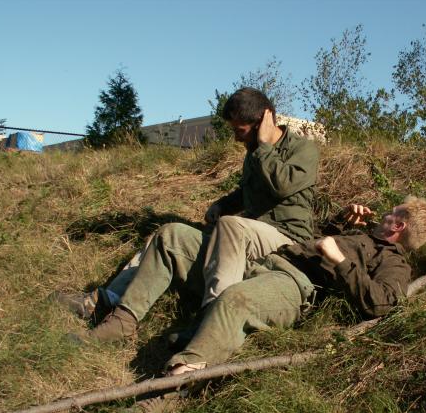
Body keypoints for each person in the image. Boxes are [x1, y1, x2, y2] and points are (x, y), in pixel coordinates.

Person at [108, 195, 426, 413]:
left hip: (295, 285)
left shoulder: (394, 263)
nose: (385, 212)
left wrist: (338, 260)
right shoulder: (359, 233)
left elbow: (380, 302)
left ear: (400, 225)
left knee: (235, 299)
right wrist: (340, 221)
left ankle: (170, 391)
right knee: (174, 236)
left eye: (393, 211)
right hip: (263, 259)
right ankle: (122, 319)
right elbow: (313, 238)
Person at [56, 87, 319, 322]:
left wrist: (263, 146)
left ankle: (210, 318)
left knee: (233, 226)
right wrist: (222, 205)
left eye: (240, 131)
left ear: (265, 119)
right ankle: (106, 300)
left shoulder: (303, 150)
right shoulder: (254, 154)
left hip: (286, 239)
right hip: (240, 236)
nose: (236, 139)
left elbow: (282, 184)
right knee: (166, 235)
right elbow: (247, 193)